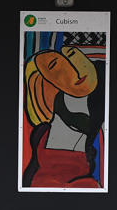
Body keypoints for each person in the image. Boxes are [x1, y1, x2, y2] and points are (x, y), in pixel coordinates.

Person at [22, 47, 105, 188]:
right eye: (55, 66)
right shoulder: (43, 130)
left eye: (73, 55)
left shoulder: (102, 81)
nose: (72, 68)